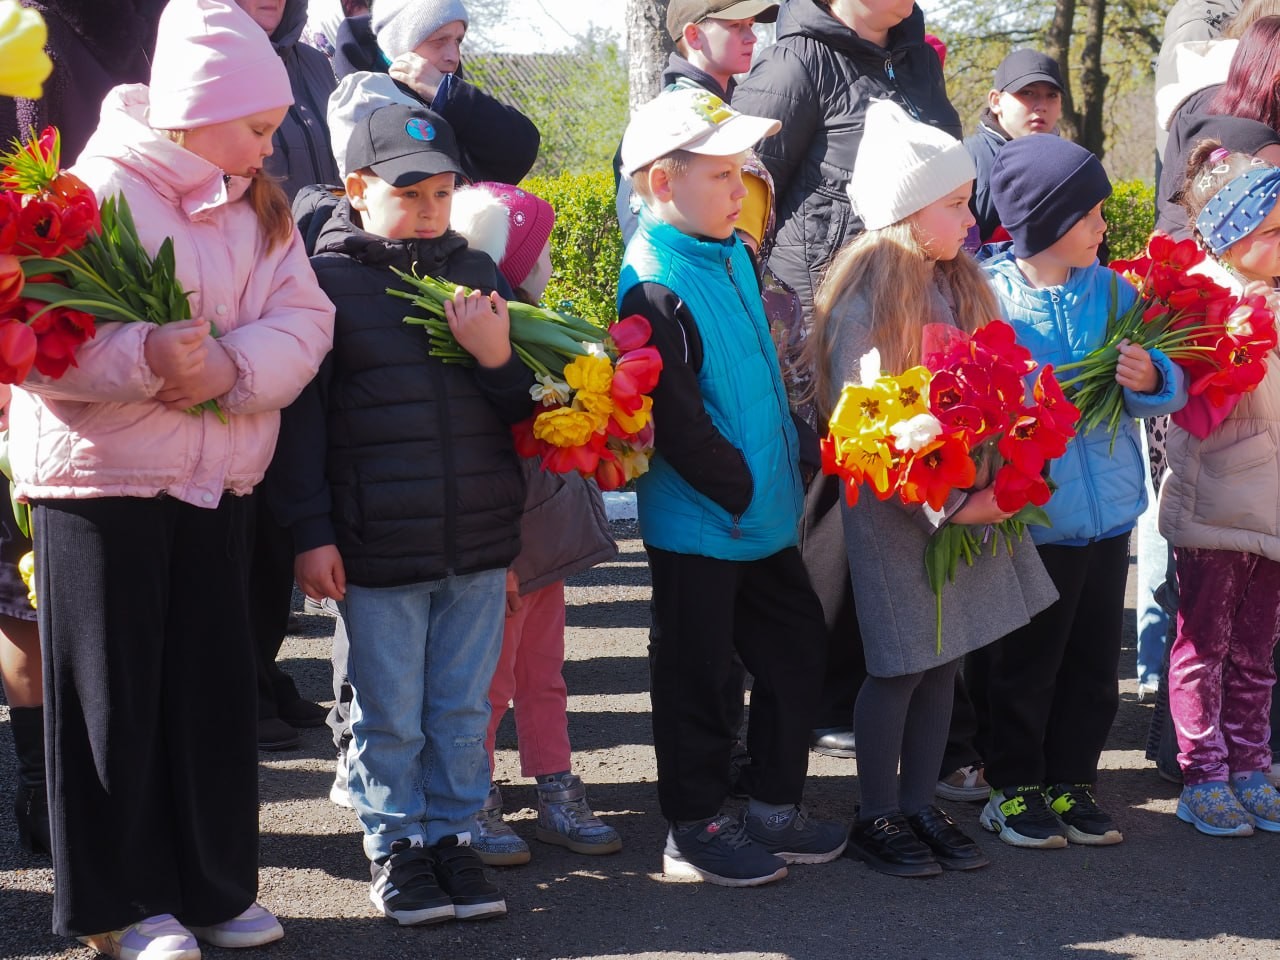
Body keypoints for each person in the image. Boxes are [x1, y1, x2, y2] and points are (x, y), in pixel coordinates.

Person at [9, 0, 336, 955]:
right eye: (258, 127)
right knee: (115, 703)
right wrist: (150, 354)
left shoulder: (258, 206)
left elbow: (303, 320)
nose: (271, 147)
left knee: (211, 690)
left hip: (217, 479)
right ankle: (124, 907)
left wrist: (229, 372)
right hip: (101, 486)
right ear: (194, 110)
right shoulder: (88, 192)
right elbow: (41, 342)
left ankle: (215, 884)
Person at [269, 102, 531, 925]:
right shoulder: (325, 280)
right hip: (378, 546)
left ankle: (451, 836)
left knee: (459, 707)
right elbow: (300, 423)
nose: (429, 209)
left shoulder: (480, 273)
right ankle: (396, 848)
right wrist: (310, 534)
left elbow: (524, 412)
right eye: (409, 191)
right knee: (388, 712)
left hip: (478, 541)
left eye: (443, 193)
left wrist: (497, 360)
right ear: (357, 187)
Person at [804, 99, 1056, 878]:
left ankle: (919, 804)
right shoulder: (867, 302)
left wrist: (1008, 459)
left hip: (961, 505)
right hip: (900, 515)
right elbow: (869, 426)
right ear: (907, 211)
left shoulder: (953, 281)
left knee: (946, 658)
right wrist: (949, 502)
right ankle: (879, 811)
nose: (968, 214)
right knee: (900, 665)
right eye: (952, 203)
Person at [617, 86, 846, 888]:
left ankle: (772, 806)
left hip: (761, 513)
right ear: (660, 184)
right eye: (719, 175)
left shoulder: (730, 254)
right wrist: (746, 487)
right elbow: (679, 422)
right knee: (699, 679)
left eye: (741, 173)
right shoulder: (653, 283)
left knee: (794, 652)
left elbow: (758, 380)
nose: (738, 188)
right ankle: (696, 826)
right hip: (707, 522)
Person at [732, 0, 961, 766]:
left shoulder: (918, 57)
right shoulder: (794, 61)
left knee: (897, 513)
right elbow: (747, 193)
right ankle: (812, 706)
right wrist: (771, 320)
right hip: (822, 323)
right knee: (830, 518)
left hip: (904, 303)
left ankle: (881, 693)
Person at [977, 134, 1187, 850]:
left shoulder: (1113, 290)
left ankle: (1073, 780)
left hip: (1109, 516)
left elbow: (1159, 384)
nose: (1104, 226)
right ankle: (1013, 787)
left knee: (1095, 664)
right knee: (1027, 663)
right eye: (1090, 213)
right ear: (1043, 220)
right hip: (1033, 519)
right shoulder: (990, 296)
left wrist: (1153, 377)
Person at [449, 181, 623, 865]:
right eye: (541, 250)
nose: (550, 261)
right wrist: (502, 556)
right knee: (491, 678)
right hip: (505, 548)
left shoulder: (536, 328)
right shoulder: (498, 340)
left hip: (544, 544)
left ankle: (554, 783)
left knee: (545, 671)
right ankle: (477, 796)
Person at [1159, 142, 1280, 836]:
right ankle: (1202, 771)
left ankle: (1249, 762)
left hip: (1270, 507)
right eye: (1273, 233)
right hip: (1216, 502)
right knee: (1203, 644)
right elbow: (1190, 403)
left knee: (1258, 646)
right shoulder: (1202, 298)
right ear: (1233, 235)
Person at [235, 0, 344, 753]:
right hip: (243, 286)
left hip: (302, 281)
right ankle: (238, 681)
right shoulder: (196, 49)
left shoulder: (306, 58)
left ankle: (263, 668)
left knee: (282, 507)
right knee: (244, 519)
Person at [614, 0, 779, 243]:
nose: (752, 37)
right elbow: (644, 235)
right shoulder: (665, 126)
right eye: (735, 25)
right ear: (693, 35)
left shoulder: (729, 110)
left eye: (751, 25)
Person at [329, 0, 540, 185]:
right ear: (400, 44)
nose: (453, 56)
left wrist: (446, 94)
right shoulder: (363, 98)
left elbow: (522, 147)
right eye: (439, 40)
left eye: (458, 40)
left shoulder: (449, 94)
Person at [964, 49, 1065, 245]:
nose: (1041, 105)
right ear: (995, 101)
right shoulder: (965, 157)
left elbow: (1096, 249)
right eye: (1027, 92)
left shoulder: (1072, 164)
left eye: (1052, 95)